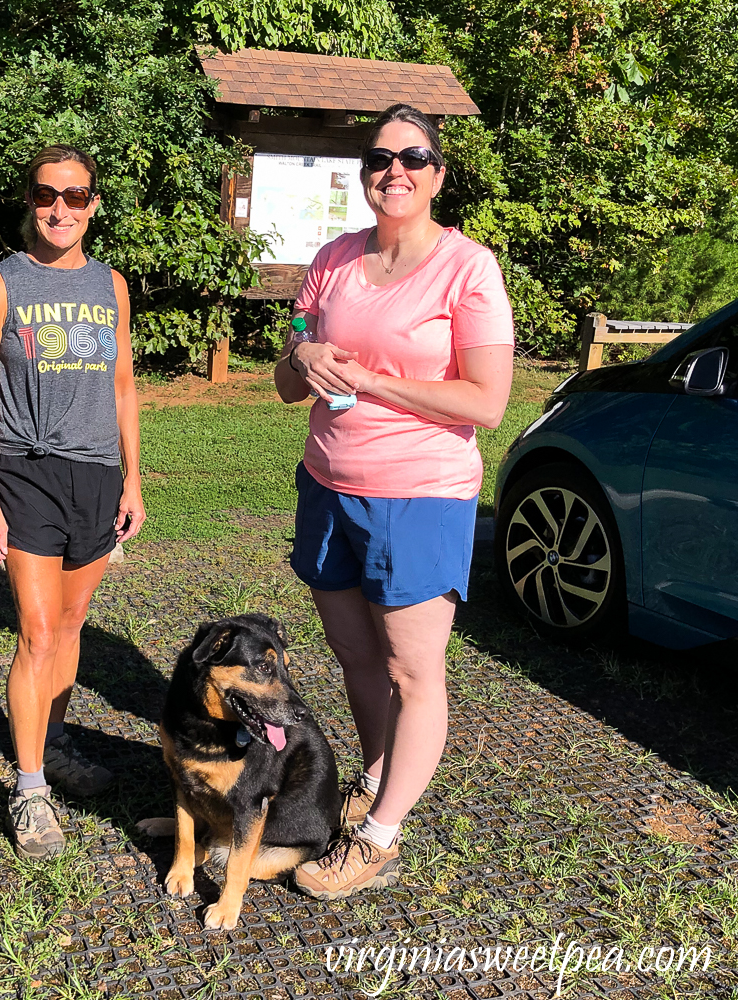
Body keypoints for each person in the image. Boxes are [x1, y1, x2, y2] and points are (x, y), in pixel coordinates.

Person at [273, 104, 514, 897]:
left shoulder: (467, 269)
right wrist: (303, 350)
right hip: (327, 484)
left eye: (413, 157)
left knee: (415, 673)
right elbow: (284, 378)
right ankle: (375, 783)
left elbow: (486, 404)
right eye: (379, 158)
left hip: (418, 496)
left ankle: (378, 840)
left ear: (438, 173)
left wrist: (373, 380)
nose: (394, 171)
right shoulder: (333, 258)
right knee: (355, 655)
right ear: (364, 173)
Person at [0, 144, 145, 860]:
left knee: (71, 625)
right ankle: (31, 787)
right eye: (46, 196)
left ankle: (57, 742)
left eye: (74, 196)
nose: (59, 209)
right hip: (27, 470)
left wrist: (133, 478)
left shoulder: (112, 285)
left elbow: (124, 384)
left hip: (98, 474)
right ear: (30, 202)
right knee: (37, 633)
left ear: (94, 203)